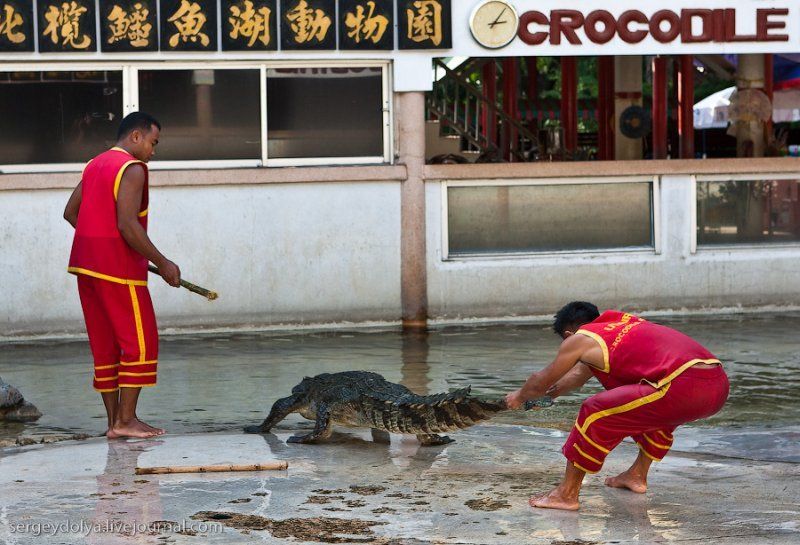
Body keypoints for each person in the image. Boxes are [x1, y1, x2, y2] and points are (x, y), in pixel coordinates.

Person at [506, 301, 729, 511]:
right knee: (643, 407)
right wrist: (544, 398)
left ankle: (566, 494)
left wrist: (518, 396)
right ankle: (637, 475)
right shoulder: (623, 325)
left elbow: (540, 379)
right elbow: (576, 377)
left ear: (568, 335)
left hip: (682, 386)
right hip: (716, 385)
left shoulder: (580, 338)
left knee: (595, 410)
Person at [63, 112, 181, 439]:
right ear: (136, 137)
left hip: (86, 268)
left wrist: (102, 241)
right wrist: (164, 262)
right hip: (119, 271)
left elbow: (71, 213)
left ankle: (114, 423)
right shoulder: (131, 168)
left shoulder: (95, 164)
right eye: (153, 143)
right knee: (140, 343)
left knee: (106, 346)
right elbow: (128, 225)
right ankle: (127, 420)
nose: (153, 152)